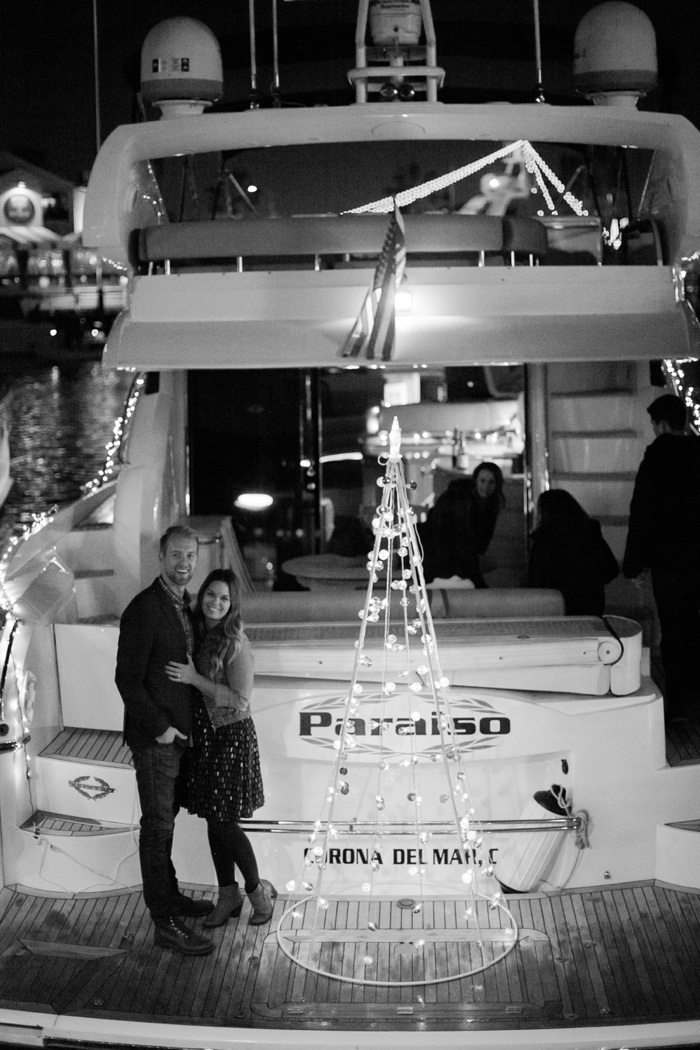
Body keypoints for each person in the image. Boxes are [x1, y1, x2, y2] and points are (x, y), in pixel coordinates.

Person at [115, 524, 215, 956]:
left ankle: (170, 897)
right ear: (161, 558)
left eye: (190, 556)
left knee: (165, 823)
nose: (184, 563)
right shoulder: (144, 609)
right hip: (156, 739)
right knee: (156, 828)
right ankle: (164, 921)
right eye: (176, 555)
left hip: (179, 737)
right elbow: (127, 680)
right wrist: (160, 728)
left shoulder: (184, 605)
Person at [165, 568, 275, 927]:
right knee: (215, 822)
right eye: (211, 594)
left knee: (224, 823)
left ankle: (257, 894)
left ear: (232, 604)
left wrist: (194, 679)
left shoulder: (235, 643)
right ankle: (227, 895)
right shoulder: (197, 632)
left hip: (230, 738)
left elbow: (240, 700)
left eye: (224, 598)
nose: (216, 602)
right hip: (206, 739)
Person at [623, 393, 700, 720]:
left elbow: (643, 514)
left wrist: (634, 564)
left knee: (675, 628)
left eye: (655, 424)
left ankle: (681, 702)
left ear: (662, 424)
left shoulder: (656, 459)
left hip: (669, 561)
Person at [528, 488, 618, 616]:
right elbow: (612, 569)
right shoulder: (590, 535)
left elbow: (537, 581)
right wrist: (592, 584)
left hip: (557, 610)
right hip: (591, 609)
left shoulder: (544, 542)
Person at [421, 462, 505, 587]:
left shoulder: (489, 506)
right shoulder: (459, 499)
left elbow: (480, 545)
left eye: (491, 482)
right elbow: (458, 540)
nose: (486, 486)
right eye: (482, 481)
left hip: (455, 561)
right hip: (442, 561)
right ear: (475, 481)